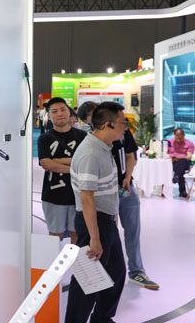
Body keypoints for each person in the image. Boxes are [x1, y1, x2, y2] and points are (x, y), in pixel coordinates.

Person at [65, 102, 127, 323]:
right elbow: (86, 198)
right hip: (94, 222)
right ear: (108, 124)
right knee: (87, 281)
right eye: (122, 122)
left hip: (105, 221)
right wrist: (95, 237)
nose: (125, 127)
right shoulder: (91, 153)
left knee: (116, 273)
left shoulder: (103, 147)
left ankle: (102, 318)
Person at [111, 120, 160, 290]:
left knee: (133, 231)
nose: (124, 123)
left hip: (126, 188)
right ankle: (107, 272)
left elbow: (131, 157)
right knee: (108, 233)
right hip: (104, 191)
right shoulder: (94, 137)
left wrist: (126, 178)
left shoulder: (124, 133)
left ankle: (137, 271)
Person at [37, 97, 87, 243]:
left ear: (69, 112)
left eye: (63, 109)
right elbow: (46, 164)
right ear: (49, 116)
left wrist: (57, 160)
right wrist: (73, 167)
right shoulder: (44, 138)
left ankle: (76, 260)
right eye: (54, 111)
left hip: (78, 195)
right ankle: (54, 260)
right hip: (53, 195)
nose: (59, 114)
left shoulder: (82, 136)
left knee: (77, 234)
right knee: (54, 235)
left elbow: (84, 161)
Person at [168, 128, 194, 198]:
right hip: (172, 162)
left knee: (182, 162)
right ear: (174, 135)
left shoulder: (189, 143)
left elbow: (189, 157)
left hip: (184, 163)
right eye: (177, 138)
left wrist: (180, 157)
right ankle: (182, 191)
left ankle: (176, 176)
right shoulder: (169, 142)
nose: (179, 140)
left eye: (181, 138)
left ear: (184, 135)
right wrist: (170, 158)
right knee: (180, 170)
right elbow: (165, 153)